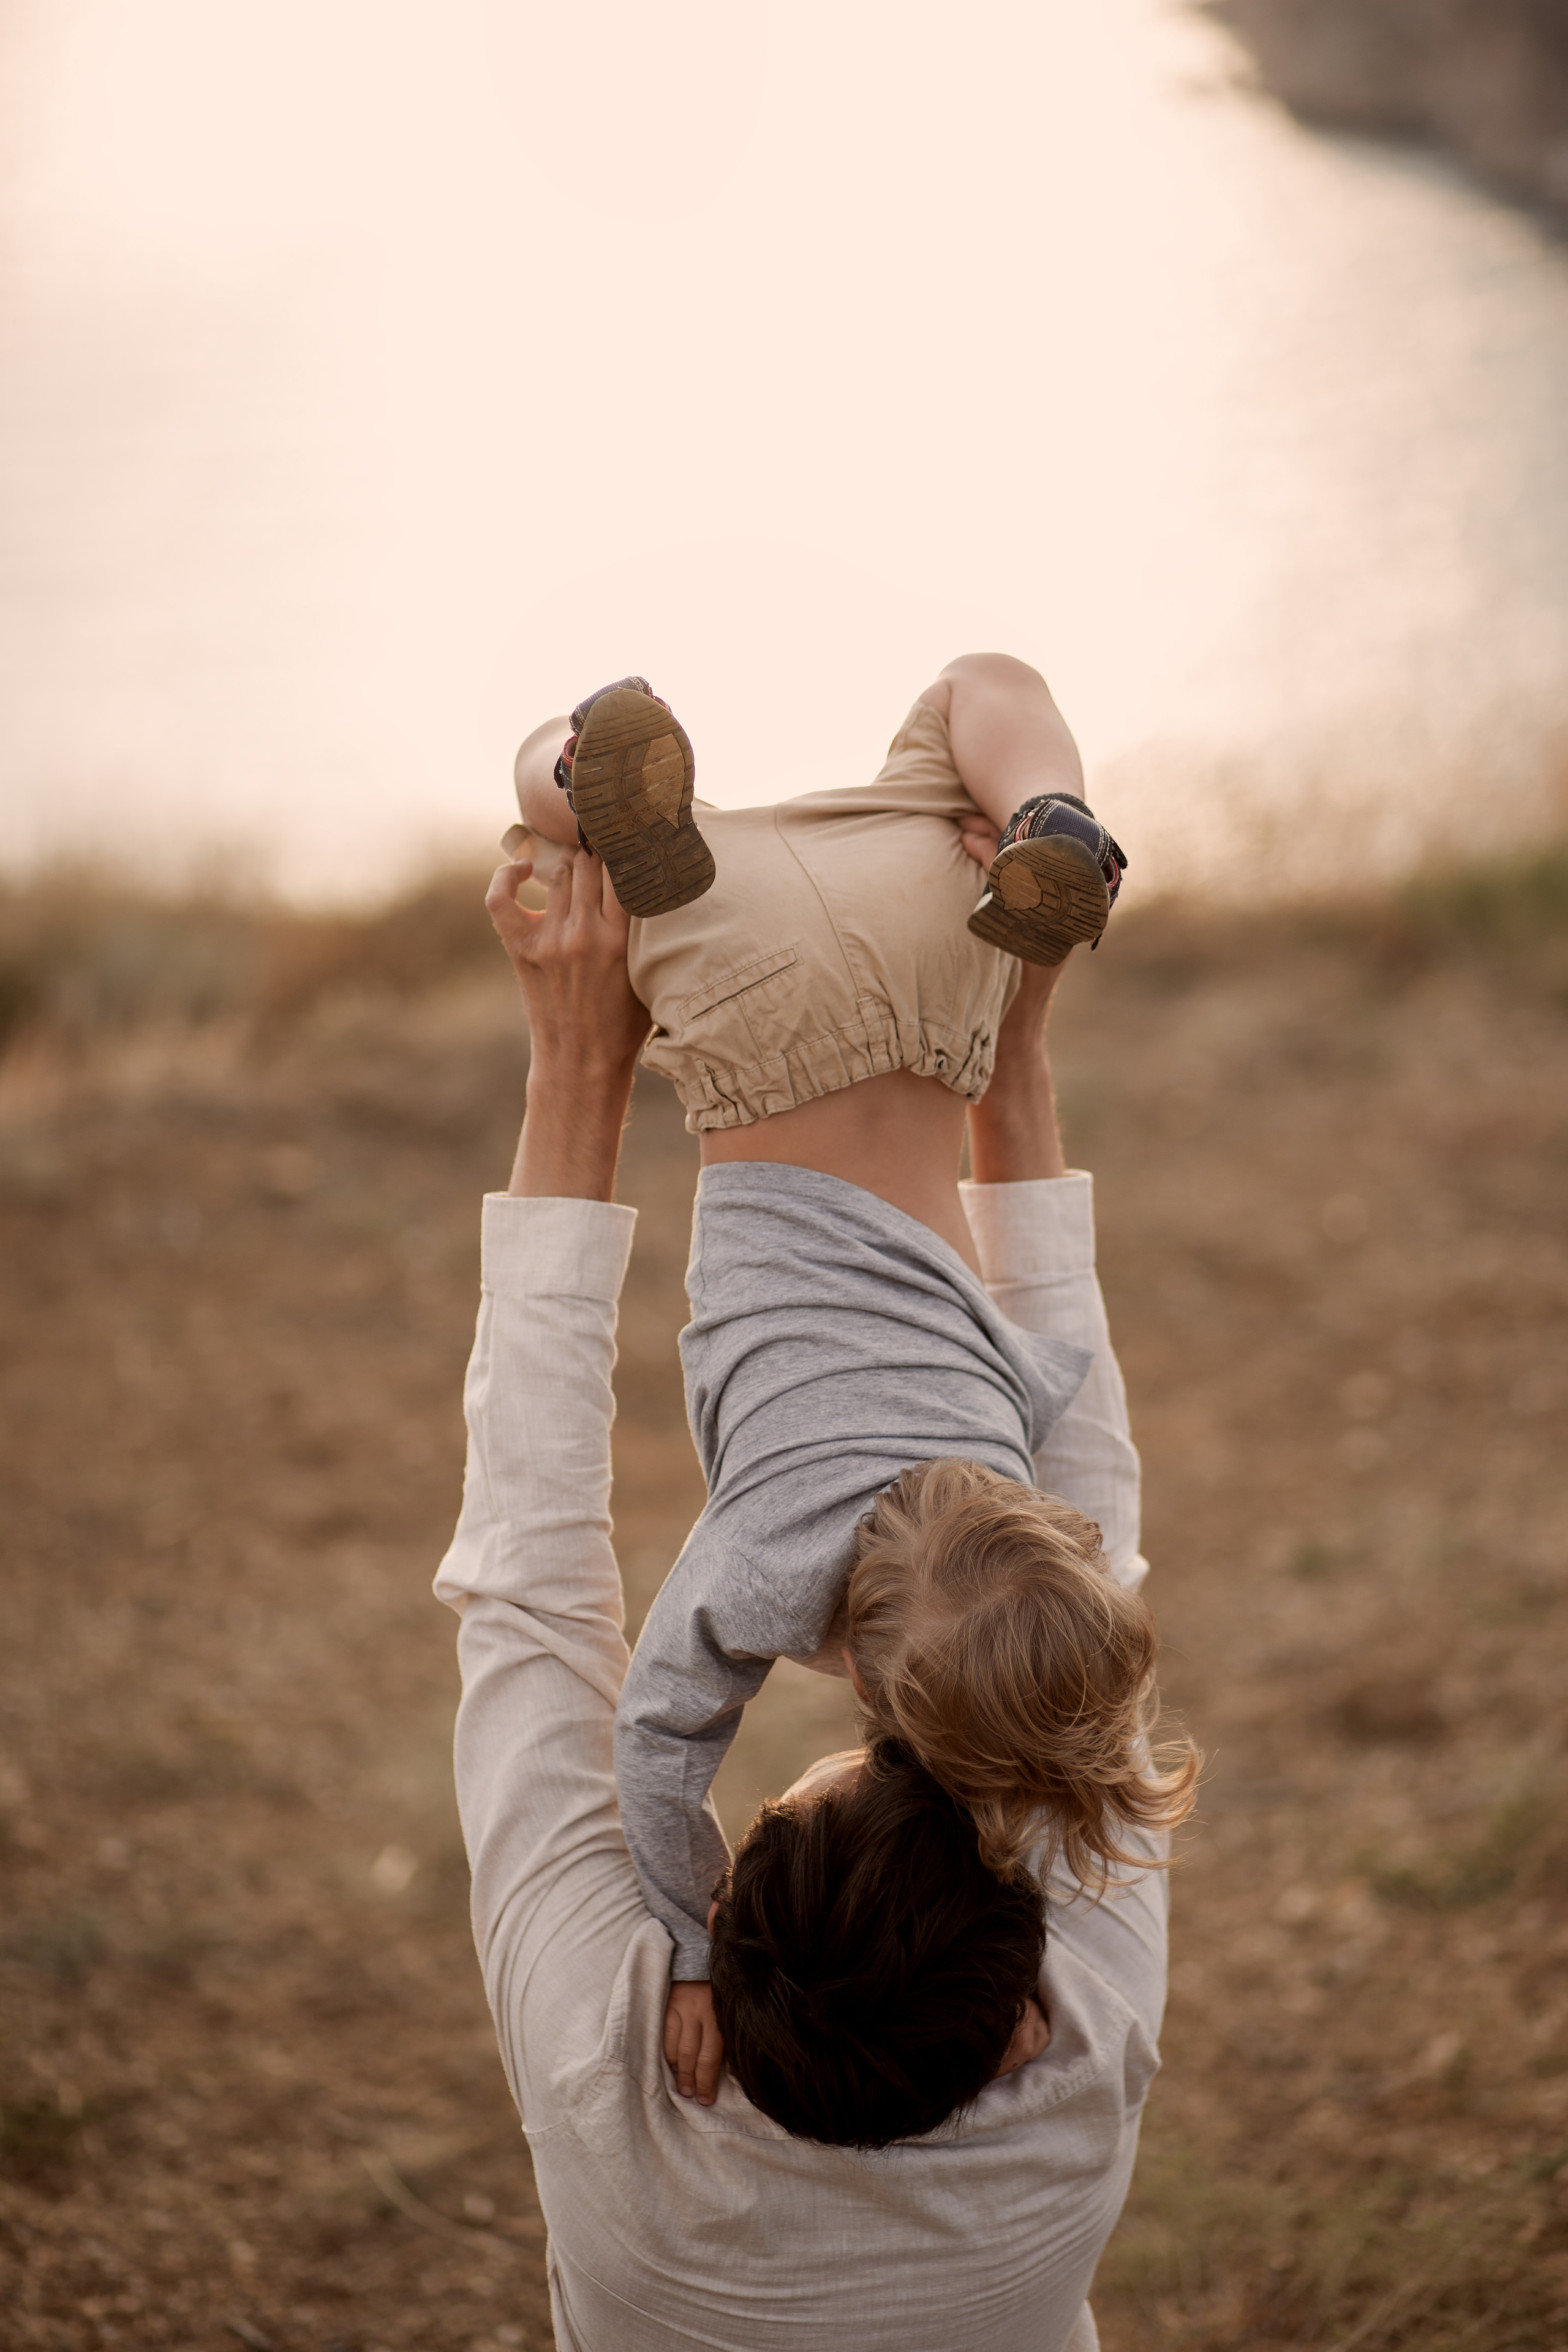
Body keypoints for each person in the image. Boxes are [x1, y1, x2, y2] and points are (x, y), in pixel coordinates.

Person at [435, 833, 1169, 2348]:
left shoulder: (1073, 2077)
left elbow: (1091, 1522)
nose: (859, 1750)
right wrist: (578, 1061)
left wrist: (1008, 1060)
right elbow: (526, 1586)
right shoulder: (1066, 2077)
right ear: (1025, 2021)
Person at [502, 657, 1193, 2103]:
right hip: (740, 1013)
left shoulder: (1005, 1461)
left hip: (943, 967)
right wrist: (689, 1946)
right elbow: (653, 1749)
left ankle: (1048, 815)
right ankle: (581, 782)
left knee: (983, 686)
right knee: (543, 833)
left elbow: (1047, 1354)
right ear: (876, 1692)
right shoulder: (759, 1580)